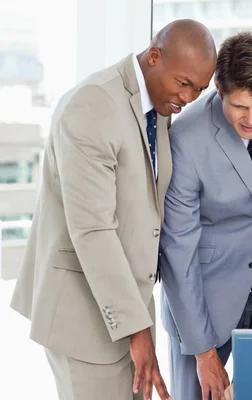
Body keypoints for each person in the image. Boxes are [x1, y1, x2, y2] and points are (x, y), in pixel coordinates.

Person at [9, 19, 217, 400]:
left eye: (199, 89)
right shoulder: (92, 105)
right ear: (154, 56)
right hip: (83, 316)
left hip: (131, 309)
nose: (189, 98)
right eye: (184, 83)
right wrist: (137, 331)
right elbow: (93, 230)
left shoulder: (160, 107)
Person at [159, 31, 252, 400]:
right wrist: (203, 351)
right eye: (240, 106)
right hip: (204, 294)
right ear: (220, 90)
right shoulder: (187, 138)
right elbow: (179, 250)